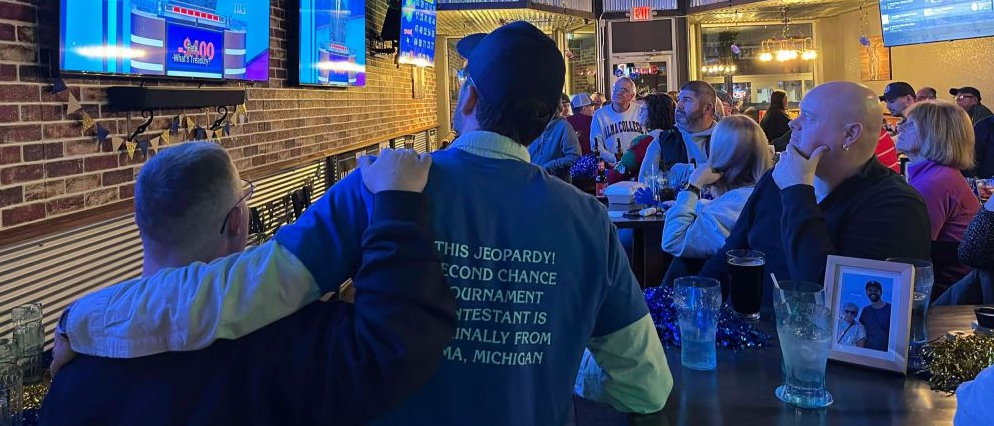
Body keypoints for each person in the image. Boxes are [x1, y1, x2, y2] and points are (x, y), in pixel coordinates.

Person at [51, 21, 673, 424]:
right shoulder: (590, 223)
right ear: (547, 123)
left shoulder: (382, 184)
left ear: (468, 98)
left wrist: (86, 318)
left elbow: (231, 296)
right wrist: (552, 363)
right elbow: (646, 388)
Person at [43, 143, 456, 425]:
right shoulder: (298, 343)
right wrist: (398, 202)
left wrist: (74, 318)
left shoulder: (74, 362)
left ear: (141, 223)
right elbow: (395, 346)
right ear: (238, 221)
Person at [698, 81, 932, 306]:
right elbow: (729, 257)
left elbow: (831, 302)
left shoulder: (897, 206)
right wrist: (692, 304)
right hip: (745, 328)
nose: (793, 123)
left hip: (807, 334)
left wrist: (798, 191)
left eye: (808, 117)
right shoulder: (776, 179)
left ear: (850, 134)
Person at [896, 100, 980, 292]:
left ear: (934, 134)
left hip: (947, 292)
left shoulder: (935, 182)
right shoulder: (936, 174)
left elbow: (909, 250)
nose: (899, 127)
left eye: (910, 124)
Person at [661, 115, 771, 260]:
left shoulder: (732, 206)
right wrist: (691, 205)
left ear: (719, 155)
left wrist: (693, 186)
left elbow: (673, 241)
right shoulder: (761, 195)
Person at [641, 81, 718, 180]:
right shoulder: (663, 140)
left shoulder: (726, 138)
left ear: (707, 108)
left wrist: (678, 173)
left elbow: (733, 178)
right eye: (679, 99)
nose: (679, 105)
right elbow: (645, 181)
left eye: (687, 100)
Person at [616, 93, 675, 182]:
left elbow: (619, 171)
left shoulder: (645, 141)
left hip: (646, 187)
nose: (639, 113)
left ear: (653, 113)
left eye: (643, 110)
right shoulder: (676, 136)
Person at [590, 77, 643, 166]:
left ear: (632, 95)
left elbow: (649, 139)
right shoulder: (599, 115)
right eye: (615, 89)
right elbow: (596, 146)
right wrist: (616, 158)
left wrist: (635, 159)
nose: (618, 93)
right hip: (613, 166)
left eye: (623, 90)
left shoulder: (640, 111)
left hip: (639, 164)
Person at [528, 93, 581, 182]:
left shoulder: (564, 127)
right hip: (532, 180)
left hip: (555, 183)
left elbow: (574, 156)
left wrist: (550, 166)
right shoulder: (533, 126)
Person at [859, 280, 892, 352]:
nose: (873, 292)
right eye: (870, 290)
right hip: (868, 352)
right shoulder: (866, 310)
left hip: (886, 353)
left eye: (876, 290)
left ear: (880, 292)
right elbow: (861, 332)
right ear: (866, 292)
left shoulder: (891, 309)